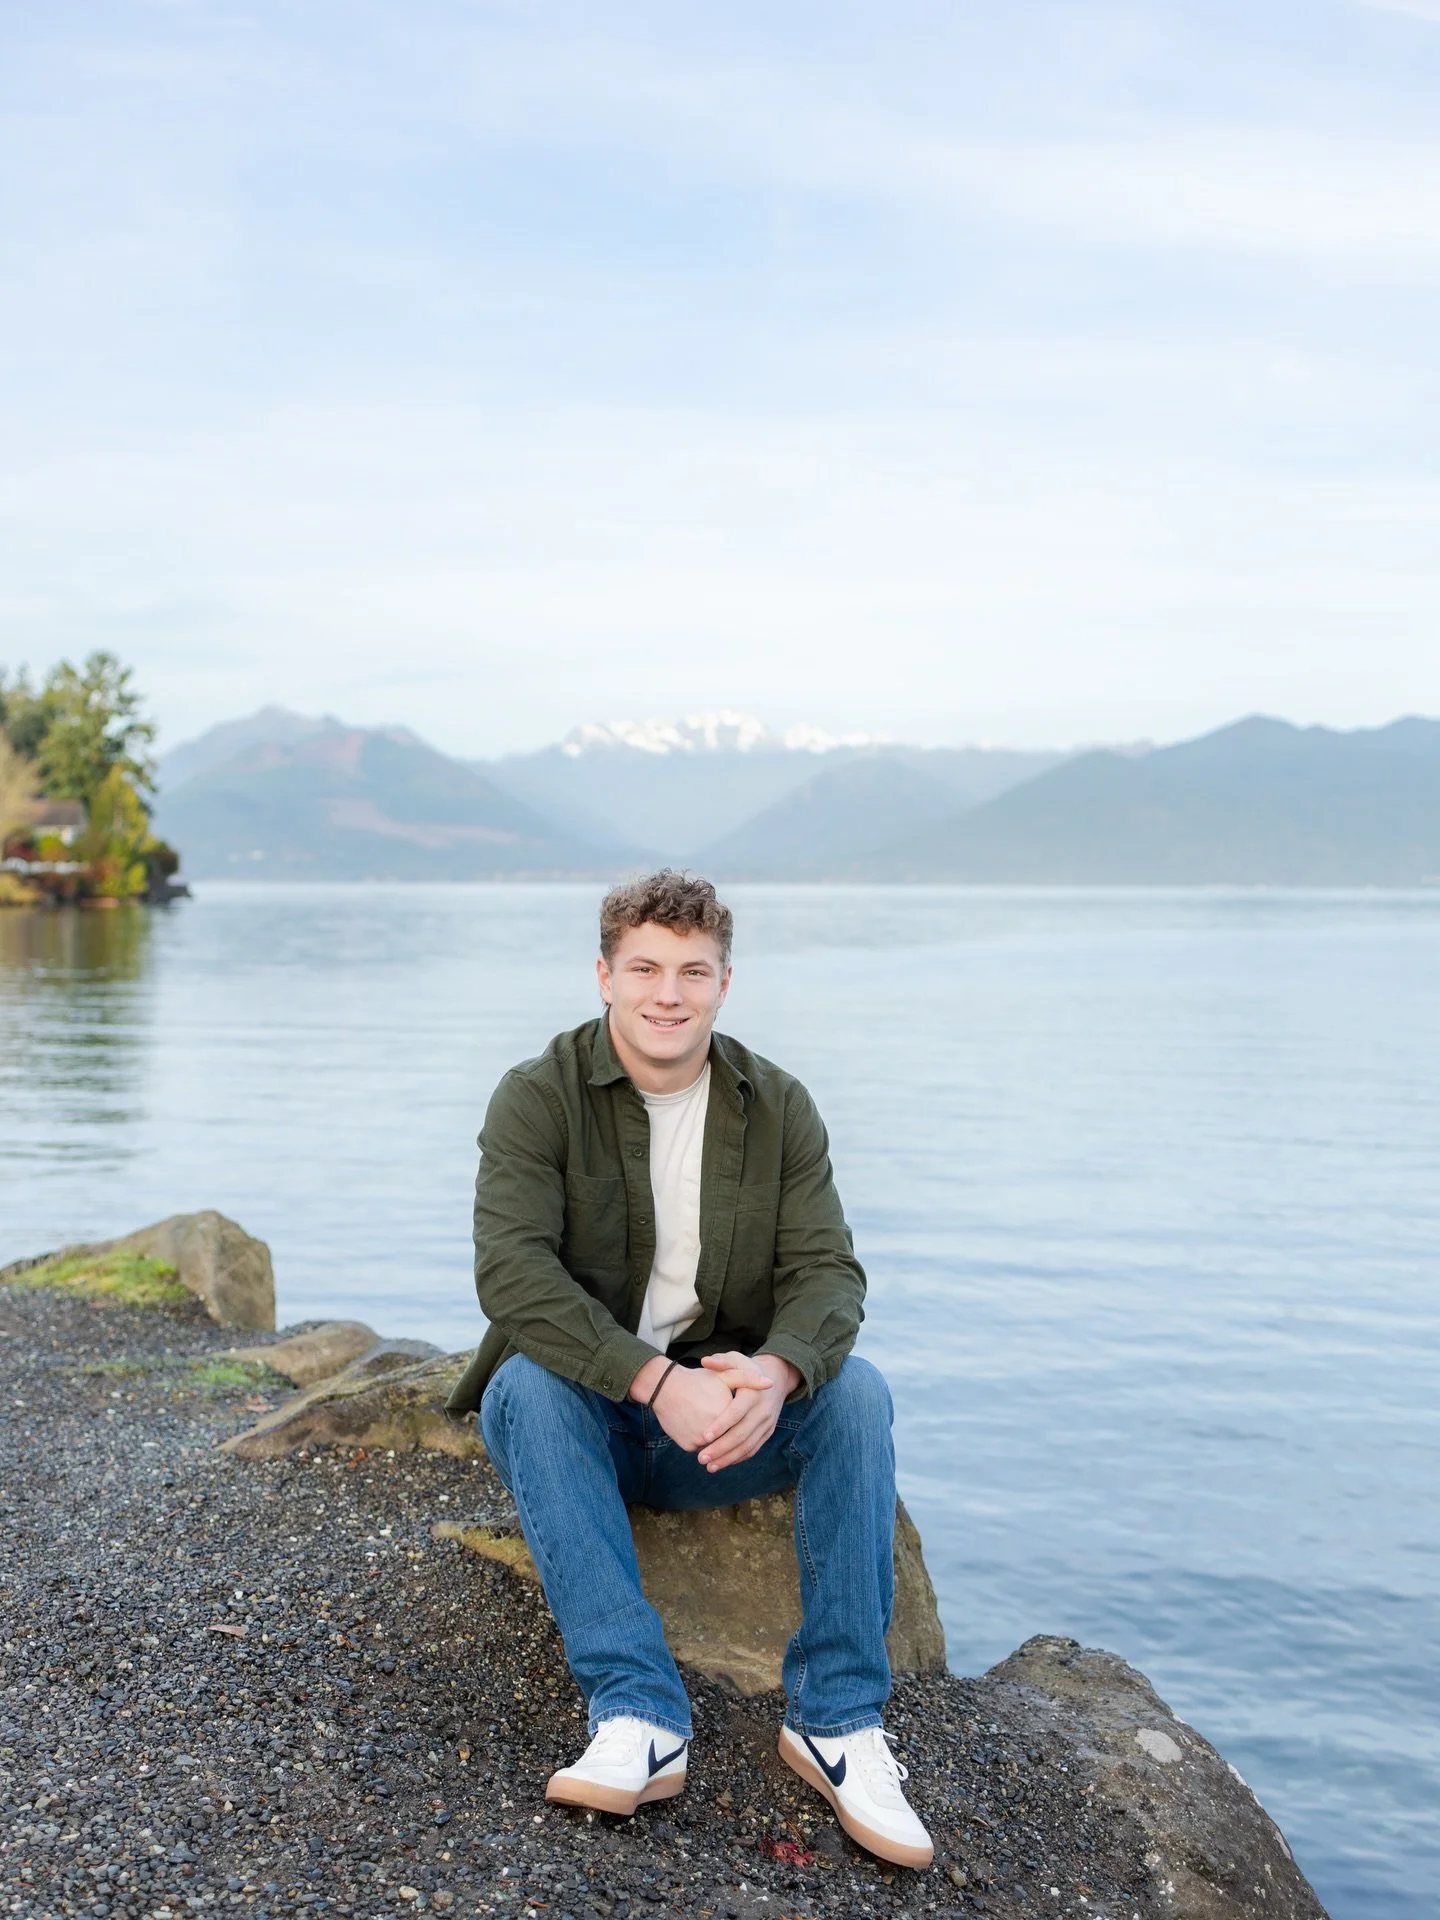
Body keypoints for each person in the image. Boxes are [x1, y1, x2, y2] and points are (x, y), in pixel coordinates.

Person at [445, 870, 933, 1870]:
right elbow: (512, 1273)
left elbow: (827, 1273)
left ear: (724, 984)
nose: (668, 994)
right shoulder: (538, 1096)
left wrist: (777, 1375)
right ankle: (637, 1714)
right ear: (604, 977)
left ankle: (838, 1723)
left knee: (858, 1393)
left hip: (727, 1424)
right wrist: (658, 1382)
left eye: (692, 972)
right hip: (589, 1421)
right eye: (645, 969)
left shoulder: (778, 1106)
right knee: (525, 1385)